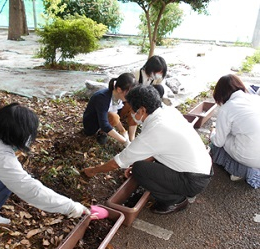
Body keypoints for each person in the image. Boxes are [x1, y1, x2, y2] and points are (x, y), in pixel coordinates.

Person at [84, 85, 213, 214]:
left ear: (142, 110)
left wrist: (93, 171)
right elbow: (157, 149)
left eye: (132, 110)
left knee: (139, 169)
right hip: (203, 168)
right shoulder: (167, 112)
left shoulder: (155, 129)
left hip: (192, 180)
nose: (131, 114)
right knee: (142, 165)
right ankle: (176, 190)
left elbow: (116, 163)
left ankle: (175, 200)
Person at [210, 74, 260, 188]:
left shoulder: (226, 108)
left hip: (253, 157)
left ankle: (243, 171)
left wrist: (213, 133)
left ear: (220, 94)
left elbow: (218, 142)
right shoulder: (256, 99)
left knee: (216, 146)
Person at [83, 73, 136, 145]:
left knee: (131, 106)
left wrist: (123, 131)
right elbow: (105, 123)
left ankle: (132, 139)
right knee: (113, 117)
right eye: (129, 93)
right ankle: (102, 133)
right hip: (92, 125)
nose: (130, 96)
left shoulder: (119, 97)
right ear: (119, 89)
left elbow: (114, 115)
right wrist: (124, 141)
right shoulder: (102, 98)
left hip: (106, 118)